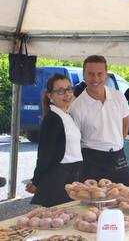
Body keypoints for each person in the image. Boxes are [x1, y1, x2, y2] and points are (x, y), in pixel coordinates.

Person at [69, 55, 129, 186]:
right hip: (92, 160)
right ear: (84, 75)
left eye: (100, 74)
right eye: (91, 74)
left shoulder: (118, 96)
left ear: (106, 75)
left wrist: (116, 141)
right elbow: (75, 141)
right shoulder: (76, 106)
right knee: (93, 203)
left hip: (118, 157)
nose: (95, 78)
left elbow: (125, 122)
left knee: (127, 198)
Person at [26, 74, 83, 207]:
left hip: (72, 175)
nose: (67, 94)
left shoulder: (65, 114)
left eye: (69, 89)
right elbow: (44, 155)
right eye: (60, 91)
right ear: (50, 95)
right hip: (58, 178)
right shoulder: (52, 119)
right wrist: (36, 181)